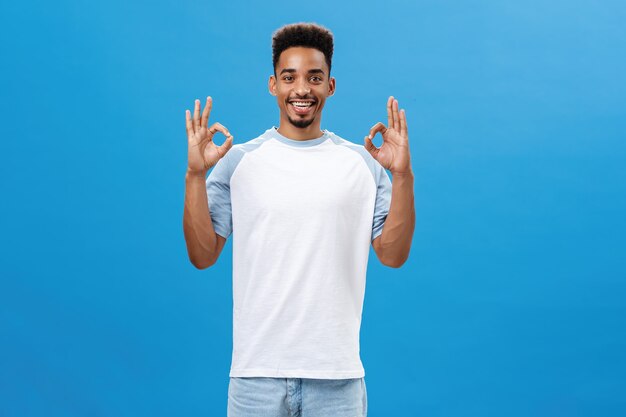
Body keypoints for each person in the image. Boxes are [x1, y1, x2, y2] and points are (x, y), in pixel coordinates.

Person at [183, 22, 415, 417]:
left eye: (314, 78)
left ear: (331, 86)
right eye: (290, 77)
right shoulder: (237, 161)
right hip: (255, 377)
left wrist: (402, 176)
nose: (302, 89)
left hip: (337, 378)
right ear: (273, 84)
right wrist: (195, 176)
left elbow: (392, 255)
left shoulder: (362, 163)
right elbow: (203, 255)